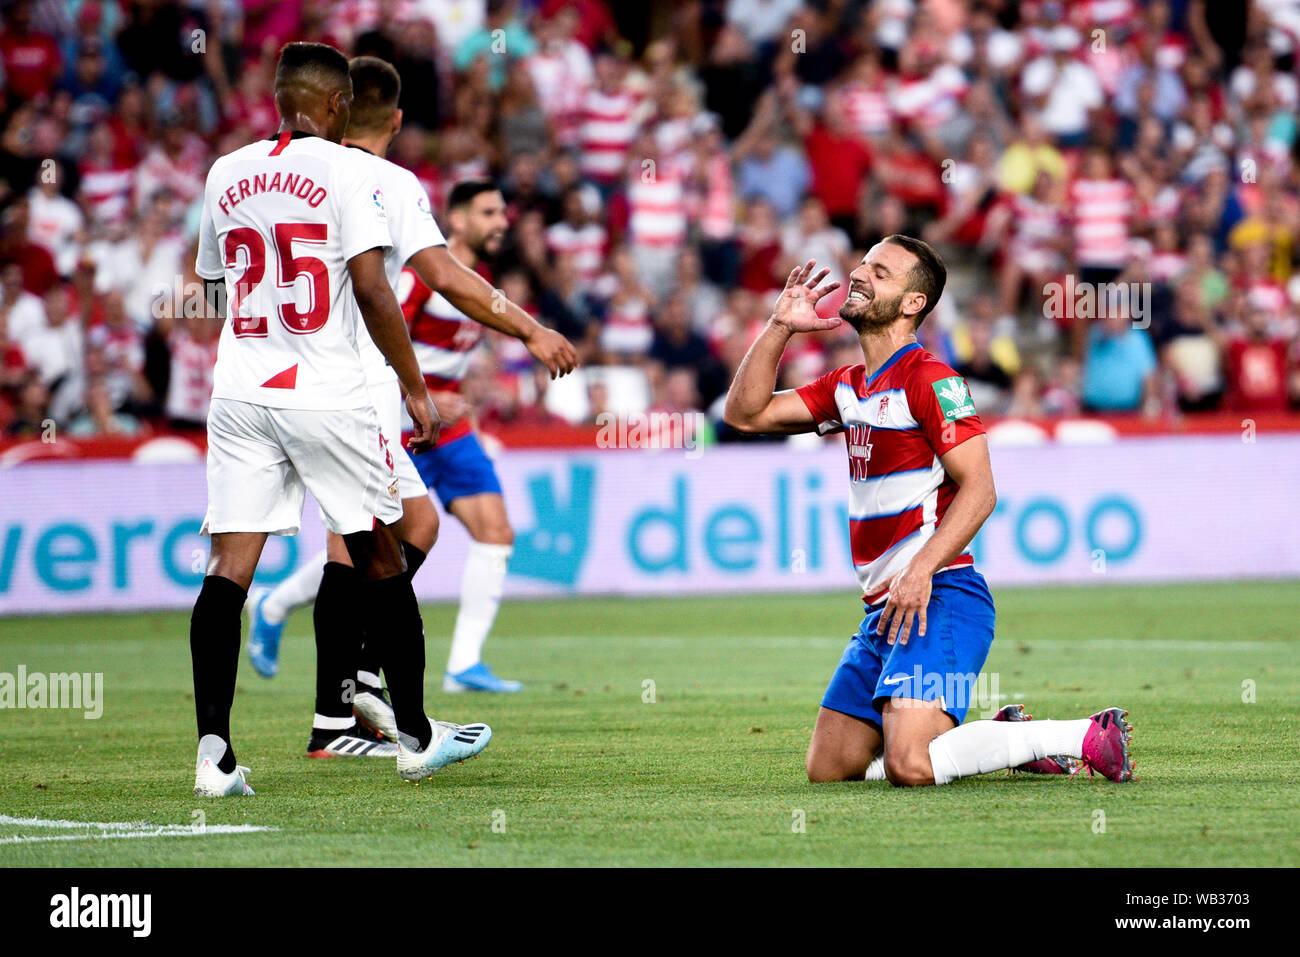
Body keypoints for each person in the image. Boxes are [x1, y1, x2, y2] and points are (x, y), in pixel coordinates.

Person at [190, 42, 491, 796]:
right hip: (325, 389)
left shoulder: (225, 171)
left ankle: (214, 755)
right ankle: (418, 736)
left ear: (277, 98)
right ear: (336, 105)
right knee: (379, 552)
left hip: (240, 388)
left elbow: (214, 282)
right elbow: (370, 285)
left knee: (229, 567)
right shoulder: (351, 170)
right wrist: (415, 386)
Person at [722, 239, 1136, 786]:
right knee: (829, 769)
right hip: (884, 612)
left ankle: (1083, 735)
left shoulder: (931, 380)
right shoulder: (845, 386)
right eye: (864, 264)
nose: (860, 274)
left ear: (913, 303)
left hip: (939, 596)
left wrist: (921, 569)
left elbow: (981, 490)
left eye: (880, 272)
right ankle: (995, 742)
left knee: (909, 765)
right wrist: (779, 326)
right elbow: (745, 414)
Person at [246, 61, 577, 713]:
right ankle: (348, 690)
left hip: (301, 382)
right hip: (380, 400)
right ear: (395, 121)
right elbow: (397, 295)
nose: (502, 221)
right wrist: (524, 336)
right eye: (489, 211)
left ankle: (402, 680)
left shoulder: (282, 177)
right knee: (370, 542)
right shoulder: (392, 196)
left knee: (423, 531)